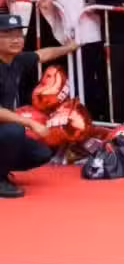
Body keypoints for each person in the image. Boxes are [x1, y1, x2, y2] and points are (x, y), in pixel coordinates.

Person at [0, 10, 76, 198]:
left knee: (41, 153)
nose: (16, 40)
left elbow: (43, 54)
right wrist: (31, 123)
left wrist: (70, 47)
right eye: (7, 35)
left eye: (19, 35)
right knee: (14, 131)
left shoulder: (17, 60)